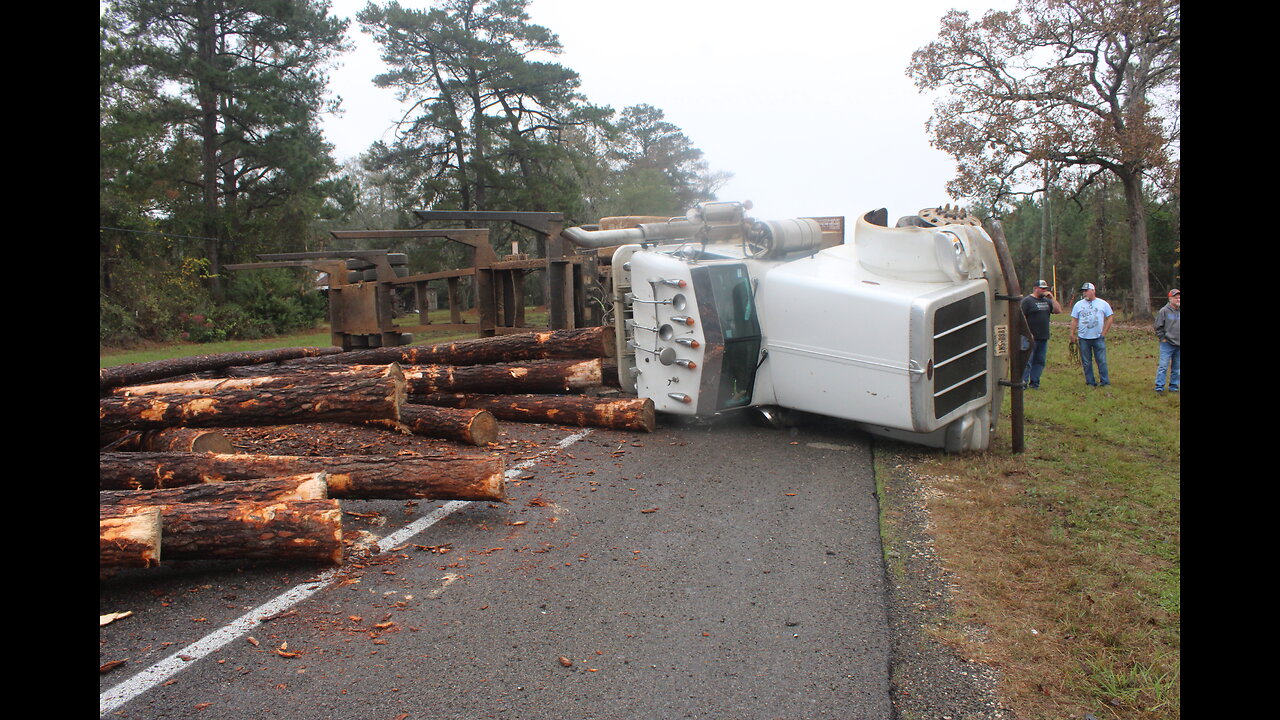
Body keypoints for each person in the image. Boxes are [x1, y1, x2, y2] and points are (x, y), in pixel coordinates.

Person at [1069, 282, 1114, 387]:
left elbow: (1110, 317)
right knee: (1086, 362)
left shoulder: (1102, 304)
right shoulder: (1078, 305)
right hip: (1083, 338)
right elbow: (1074, 320)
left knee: (1101, 361)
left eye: (1086, 291)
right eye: (1083, 291)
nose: (1084, 293)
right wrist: (1072, 333)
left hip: (1098, 337)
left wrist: (1104, 333)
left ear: (1093, 291)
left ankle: (1105, 382)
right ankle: (1090, 382)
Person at [1019, 280, 1062, 389]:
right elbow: (1021, 318)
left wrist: (1052, 298)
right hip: (1029, 337)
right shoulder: (1027, 301)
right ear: (1035, 288)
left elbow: (1058, 311)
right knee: (1027, 361)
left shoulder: (1047, 301)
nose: (1044, 291)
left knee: (1040, 361)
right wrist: (1027, 333)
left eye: (1045, 288)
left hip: (1043, 336)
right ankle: (1023, 383)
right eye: (1042, 288)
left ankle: (1035, 383)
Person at [1154, 288, 1180, 393]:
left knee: (1177, 368)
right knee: (1163, 366)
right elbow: (1158, 327)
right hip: (1167, 344)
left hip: (1179, 344)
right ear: (1170, 299)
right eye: (1175, 297)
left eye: (1179, 297)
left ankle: (1173, 387)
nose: (1178, 299)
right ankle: (1159, 387)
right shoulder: (1164, 311)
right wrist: (1162, 339)